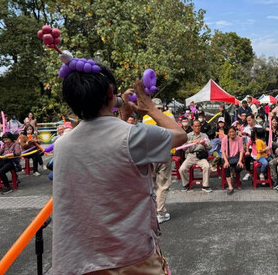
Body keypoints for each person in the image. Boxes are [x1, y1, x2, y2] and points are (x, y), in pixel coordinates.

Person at [52, 61, 186, 275]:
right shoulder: (134, 136)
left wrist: (121, 114)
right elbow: (180, 135)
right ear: (110, 92)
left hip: (80, 259)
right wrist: (149, 107)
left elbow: (107, 139)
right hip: (130, 258)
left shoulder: (62, 145)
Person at [143, 98, 177, 225]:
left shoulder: (146, 118)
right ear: (161, 107)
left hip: (150, 154)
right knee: (162, 184)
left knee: (151, 184)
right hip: (165, 153)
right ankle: (160, 212)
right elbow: (176, 132)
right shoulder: (168, 116)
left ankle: (151, 212)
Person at [179, 120, 213, 193]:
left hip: (200, 156)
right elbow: (183, 147)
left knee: (206, 166)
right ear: (192, 127)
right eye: (195, 126)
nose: (197, 128)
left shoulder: (204, 135)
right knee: (182, 169)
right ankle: (186, 184)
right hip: (190, 156)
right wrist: (191, 142)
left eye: (199, 126)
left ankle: (205, 186)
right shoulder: (188, 135)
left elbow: (210, 146)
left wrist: (204, 144)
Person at [220, 126, 244, 195]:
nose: (232, 133)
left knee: (239, 167)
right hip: (227, 158)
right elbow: (223, 151)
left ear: (235, 132)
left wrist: (240, 161)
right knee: (226, 167)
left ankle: (233, 173)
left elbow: (241, 150)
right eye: (230, 132)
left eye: (233, 132)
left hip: (236, 158)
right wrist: (226, 161)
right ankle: (230, 186)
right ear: (228, 133)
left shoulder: (239, 139)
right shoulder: (225, 139)